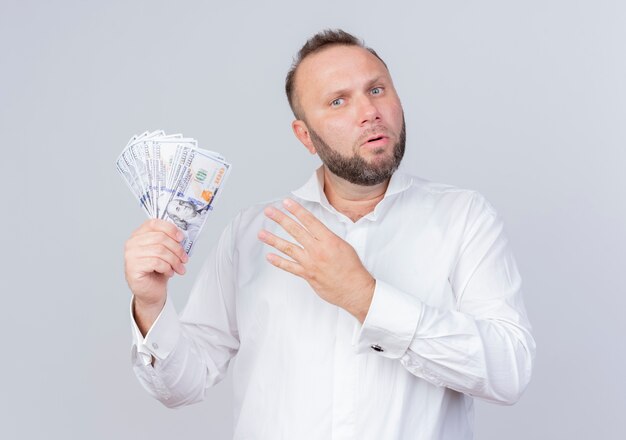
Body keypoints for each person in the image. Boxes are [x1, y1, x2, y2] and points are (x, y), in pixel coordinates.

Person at [124, 29, 535, 439]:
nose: (369, 112)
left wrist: (365, 297)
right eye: (338, 101)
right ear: (305, 136)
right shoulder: (251, 235)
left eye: (376, 90)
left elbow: (508, 371)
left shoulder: (463, 218)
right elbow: (183, 385)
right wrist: (151, 305)